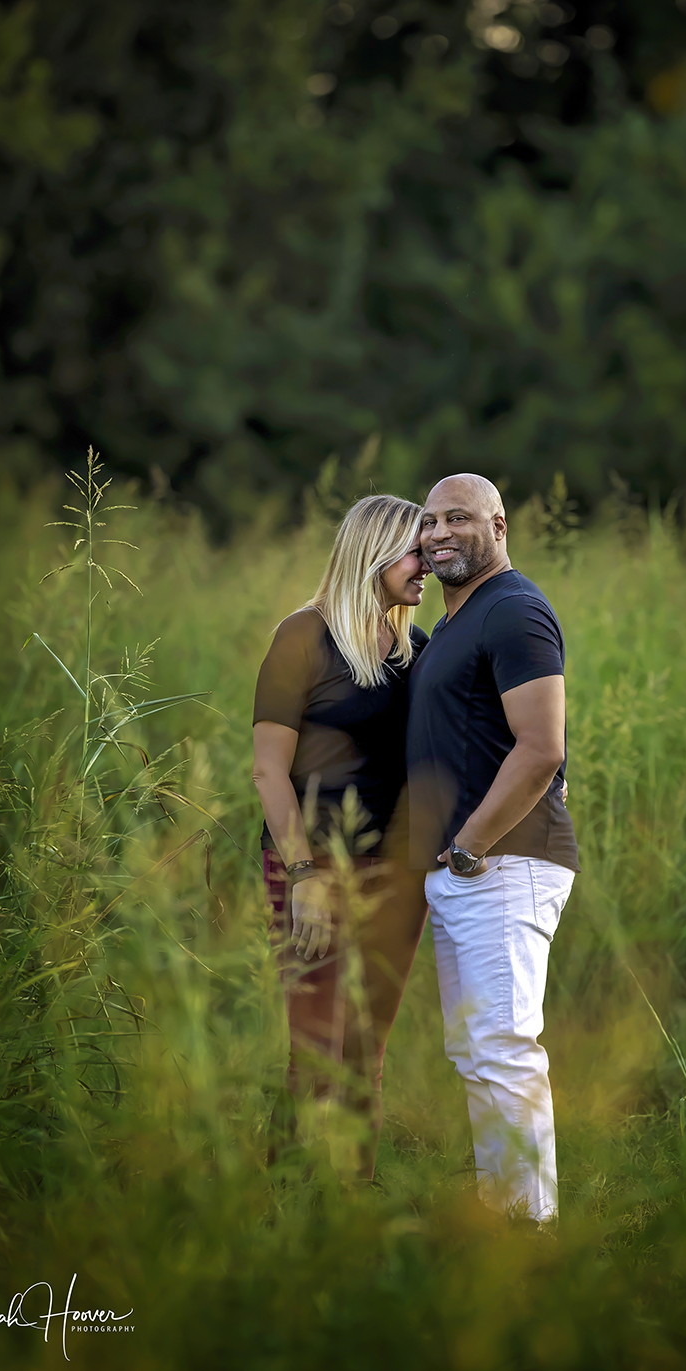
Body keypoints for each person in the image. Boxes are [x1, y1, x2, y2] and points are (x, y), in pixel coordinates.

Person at [407, 473, 579, 1222]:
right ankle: (500, 1226)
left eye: (458, 518)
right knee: (478, 1054)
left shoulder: (514, 610)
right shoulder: (457, 621)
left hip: (505, 862)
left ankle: (529, 1239)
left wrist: (470, 847)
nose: (439, 532)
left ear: (499, 526)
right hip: (469, 868)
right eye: (429, 521)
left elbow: (541, 749)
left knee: (504, 1050)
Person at [252, 495, 429, 1179]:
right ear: (376, 552)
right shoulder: (301, 636)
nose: (429, 566)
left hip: (390, 872)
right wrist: (303, 876)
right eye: (417, 551)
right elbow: (269, 770)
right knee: (317, 1043)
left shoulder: (414, 646)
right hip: (309, 865)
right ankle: (284, 1200)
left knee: (366, 1050)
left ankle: (353, 1208)